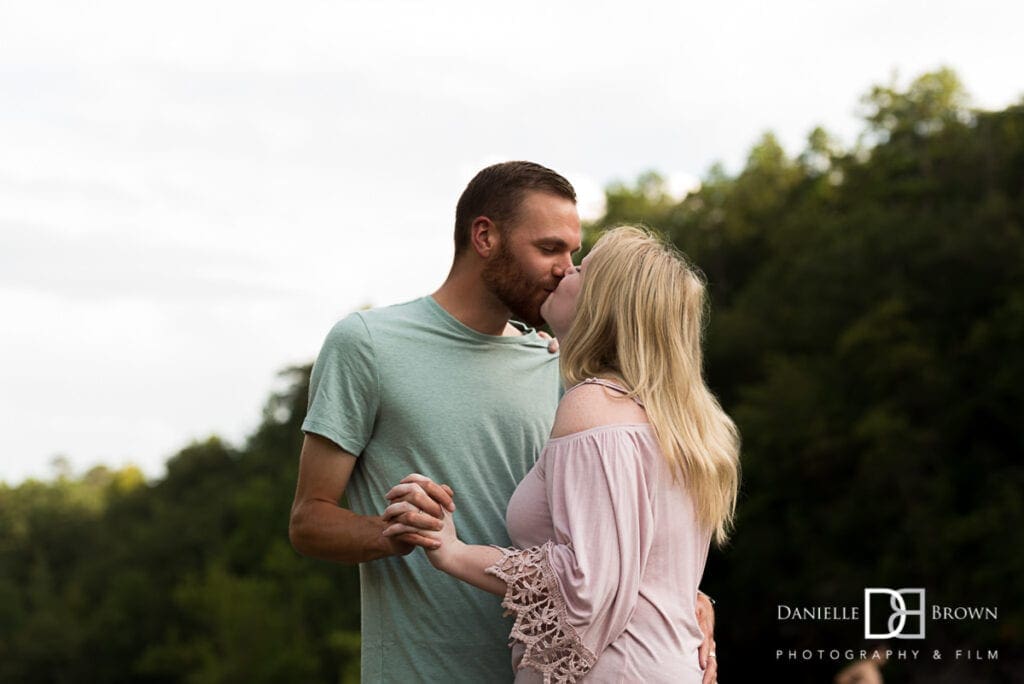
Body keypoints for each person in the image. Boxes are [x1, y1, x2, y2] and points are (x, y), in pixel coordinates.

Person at [288, 162, 717, 682]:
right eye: (549, 249)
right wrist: (394, 533)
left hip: (556, 672)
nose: (565, 268)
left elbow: (609, 529)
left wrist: (681, 593)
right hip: (424, 671)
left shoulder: (567, 369)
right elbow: (309, 520)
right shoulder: (368, 345)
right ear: (485, 236)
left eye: (574, 254)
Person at [384, 226, 740, 682]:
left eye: (581, 268)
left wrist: (453, 551)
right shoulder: (680, 422)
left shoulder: (593, 404)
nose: (565, 270)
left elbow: (584, 585)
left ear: (603, 305)